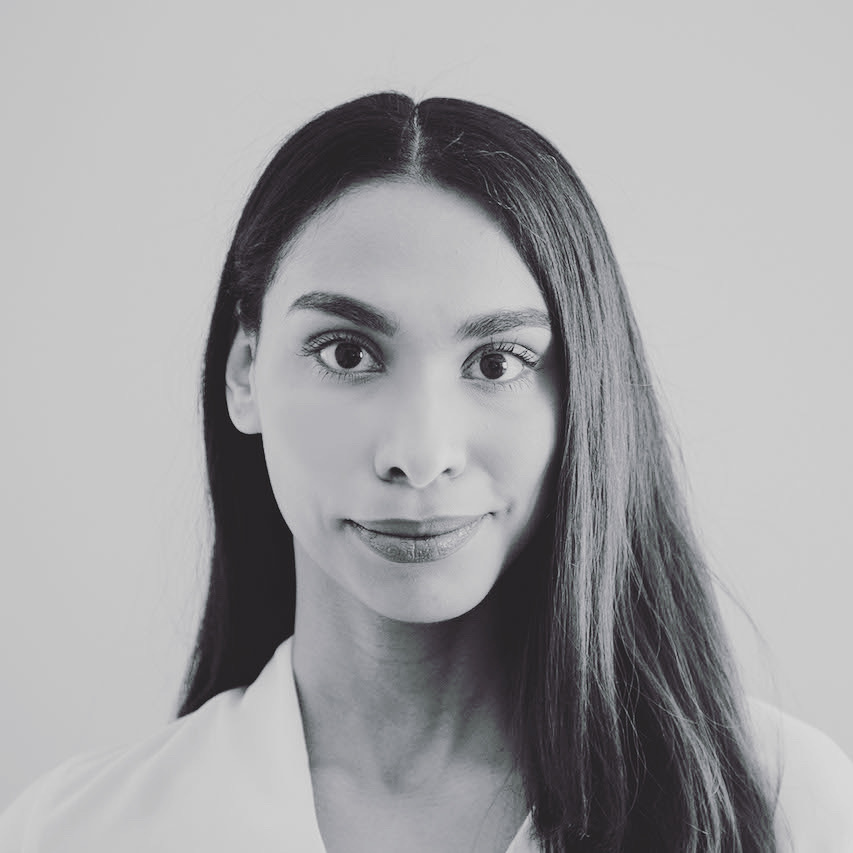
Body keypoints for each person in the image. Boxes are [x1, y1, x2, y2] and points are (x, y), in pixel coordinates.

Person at [1, 92, 851, 853]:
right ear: (244, 372)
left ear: (585, 392)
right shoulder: (73, 832)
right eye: (346, 351)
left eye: (496, 362)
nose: (419, 451)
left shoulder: (784, 810)